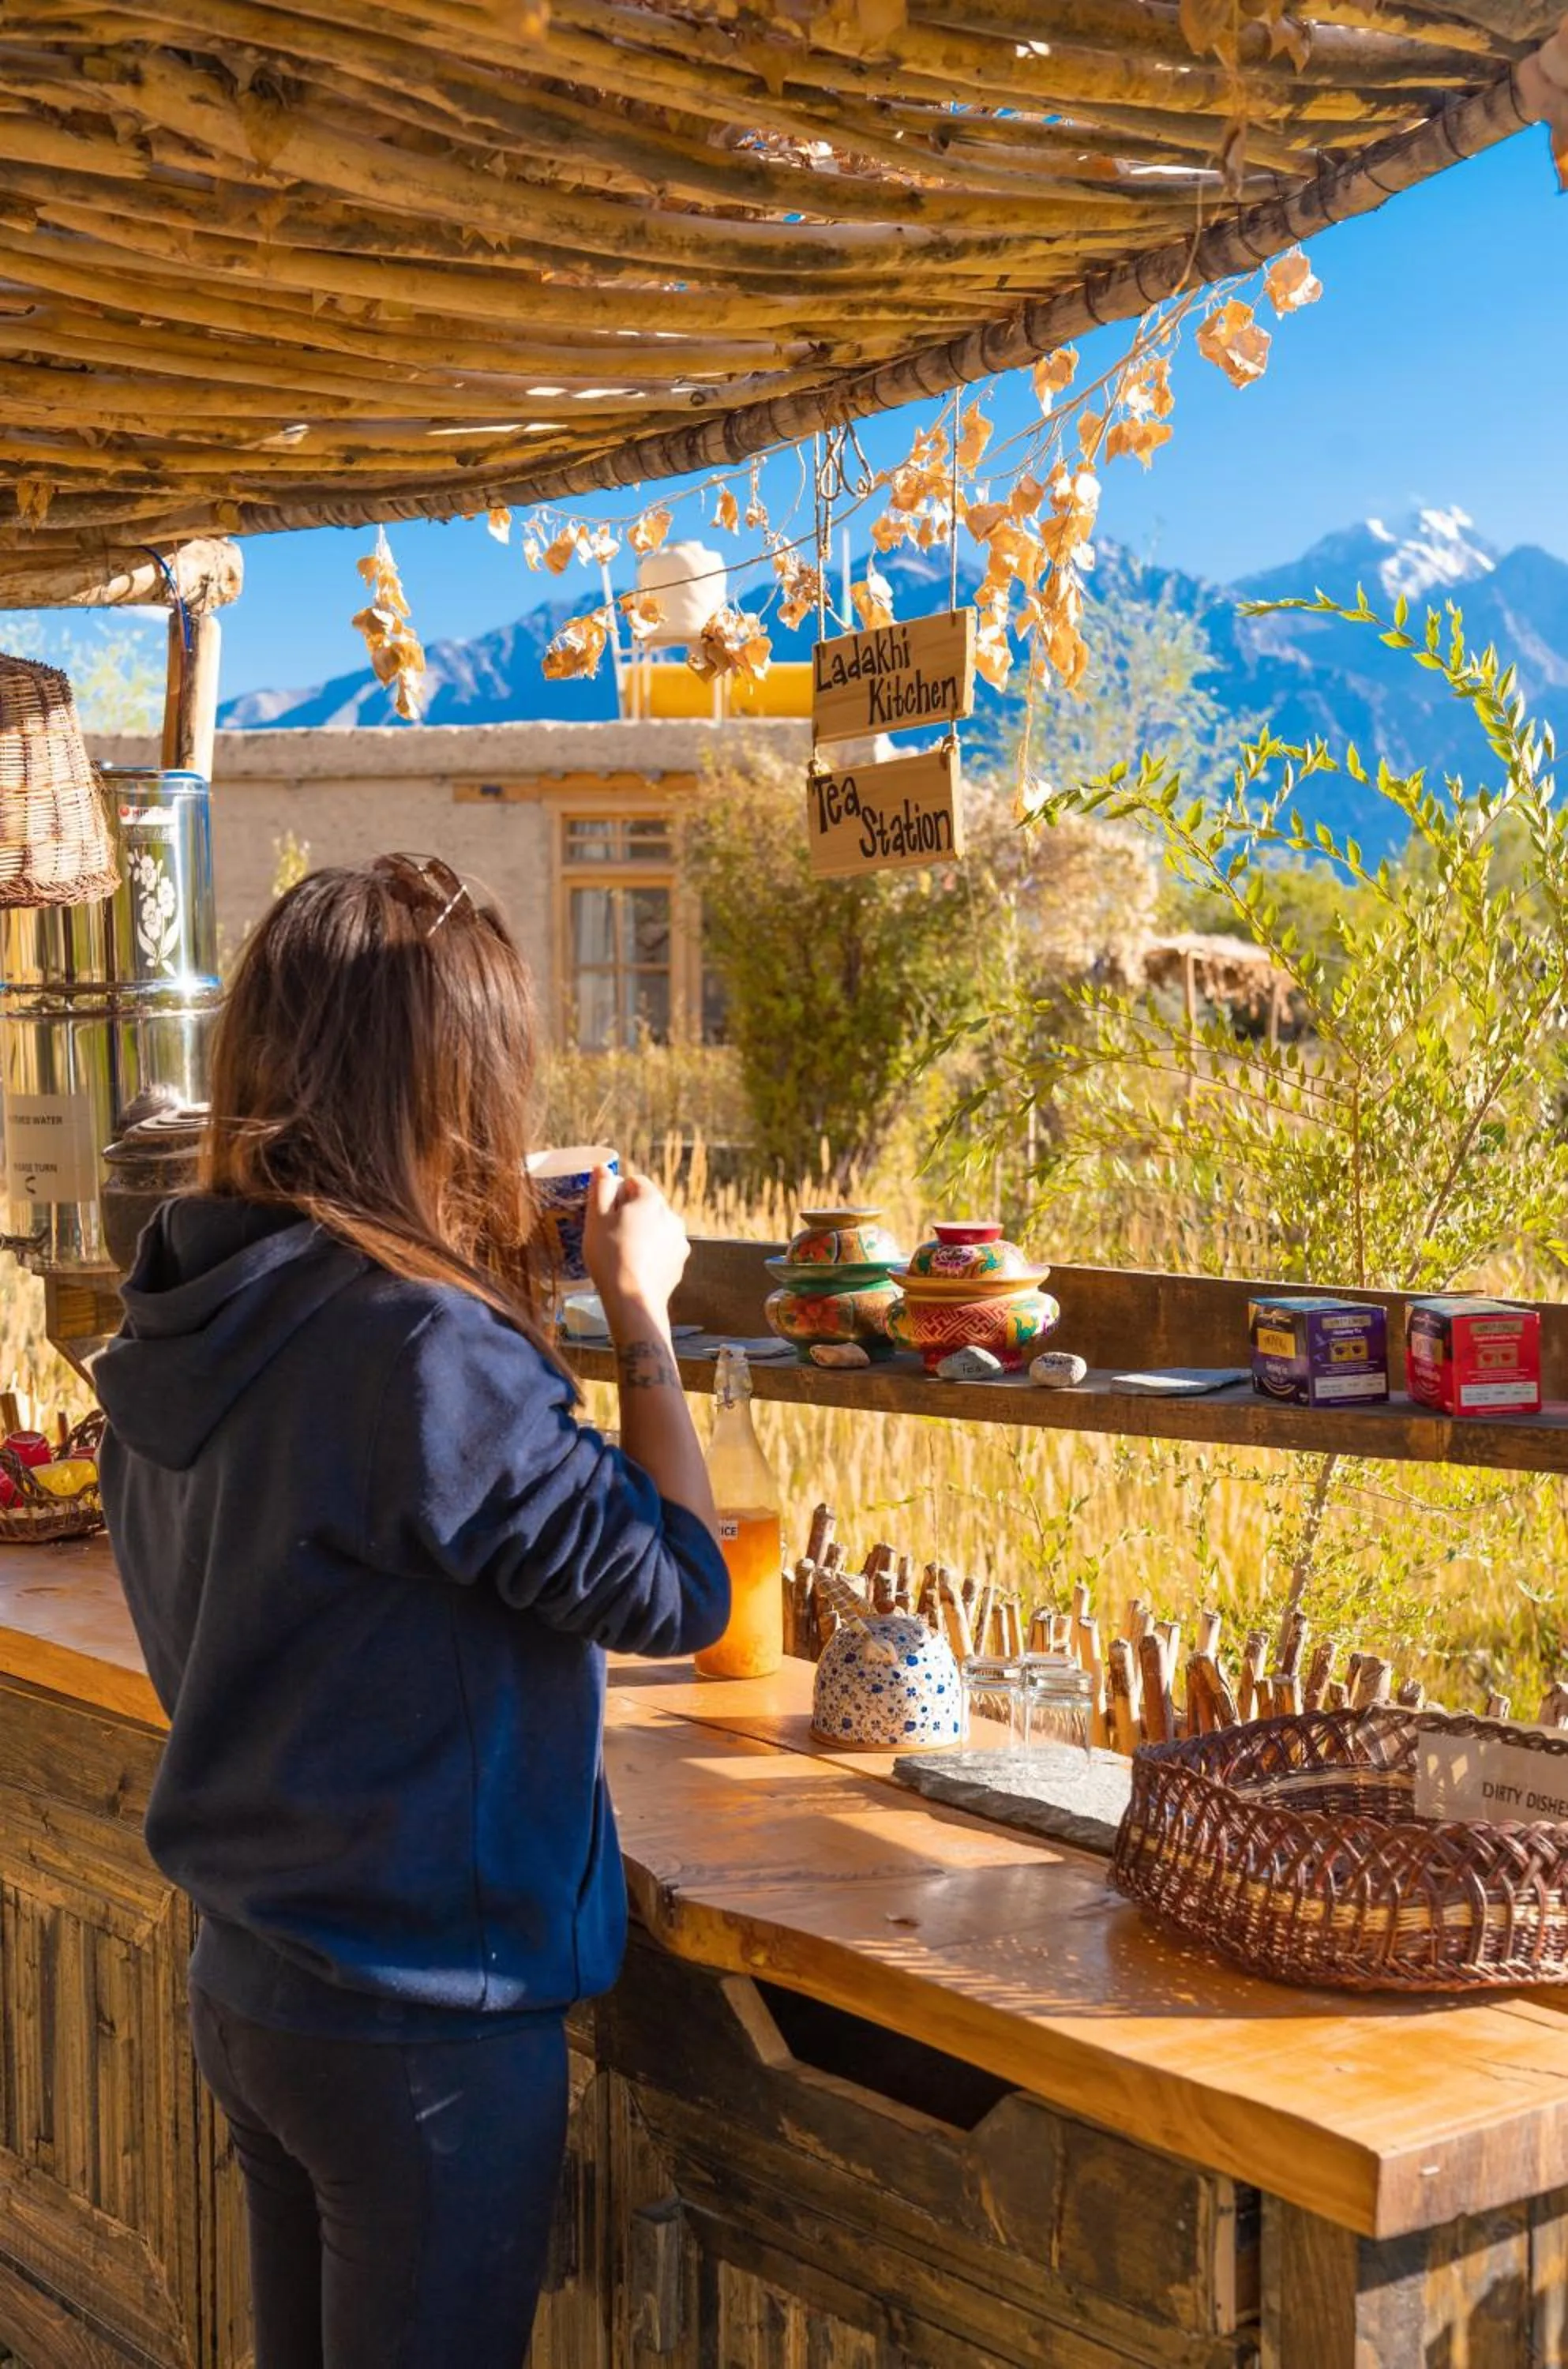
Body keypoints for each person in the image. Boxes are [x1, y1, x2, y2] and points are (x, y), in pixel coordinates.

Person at [96, 853, 730, 2369]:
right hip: (419, 2028)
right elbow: (680, 1589)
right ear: (454, 1089)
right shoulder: (414, 1348)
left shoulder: (185, 1304)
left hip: (254, 1987)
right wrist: (636, 1310)